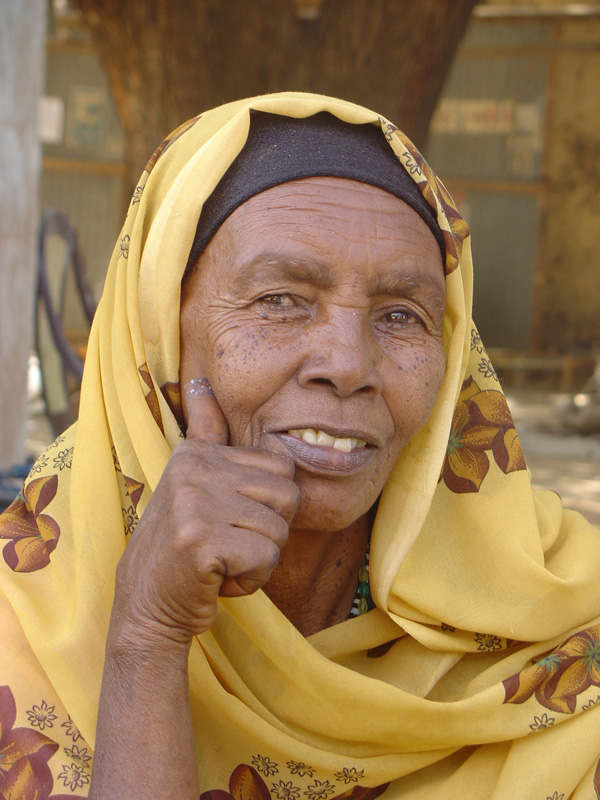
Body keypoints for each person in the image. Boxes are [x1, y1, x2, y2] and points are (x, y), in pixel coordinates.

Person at [0, 92, 599, 800]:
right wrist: (146, 638)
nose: (347, 363)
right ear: (158, 335)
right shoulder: (23, 620)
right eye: (279, 299)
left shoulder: (560, 634)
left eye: (402, 315)